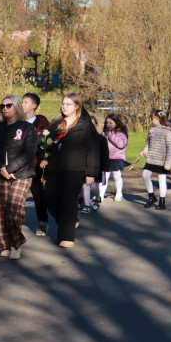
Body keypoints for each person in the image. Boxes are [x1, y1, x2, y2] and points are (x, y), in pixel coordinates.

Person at [39, 93, 101, 249]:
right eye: (62, 104)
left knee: (68, 201)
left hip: (75, 170)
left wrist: (91, 173)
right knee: (50, 198)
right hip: (54, 169)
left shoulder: (85, 126)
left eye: (68, 104)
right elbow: (45, 145)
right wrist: (43, 158)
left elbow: (93, 150)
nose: (64, 107)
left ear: (77, 106)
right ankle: (70, 222)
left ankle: (66, 236)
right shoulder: (56, 123)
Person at [0, 95, 37, 260]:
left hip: (22, 174)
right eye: (2, 105)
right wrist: (1, 168)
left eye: (9, 105)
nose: (4, 108)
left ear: (16, 107)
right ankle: (5, 244)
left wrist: (10, 168)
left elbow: (29, 153)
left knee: (13, 208)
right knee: (0, 211)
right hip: (1, 172)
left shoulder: (27, 128)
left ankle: (16, 243)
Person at [22, 92, 50, 236]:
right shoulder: (17, 122)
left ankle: (43, 223)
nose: (22, 105)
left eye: (26, 102)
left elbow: (46, 146)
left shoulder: (42, 126)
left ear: (34, 106)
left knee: (38, 196)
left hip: (34, 167)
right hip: (18, 166)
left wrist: (43, 161)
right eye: (22, 102)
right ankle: (14, 225)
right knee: (15, 198)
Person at [138, 110, 171, 211]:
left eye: (153, 119)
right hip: (151, 159)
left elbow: (170, 149)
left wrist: (168, 164)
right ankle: (151, 197)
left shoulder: (168, 132)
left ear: (159, 119)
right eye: (151, 118)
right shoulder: (151, 130)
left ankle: (162, 201)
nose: (151, 121)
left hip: (162, 161)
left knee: (162, 180)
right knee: (145, 175)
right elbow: (148, 144)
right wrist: (144, 152)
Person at [80, 116, 110, 214]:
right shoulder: (82, 139)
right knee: (86, 185)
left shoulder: (101, 139)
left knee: (95, 186)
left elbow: (105, 154)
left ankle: (97, 198)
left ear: (96, 125)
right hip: (85, 166)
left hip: (98, 166)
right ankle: (86, 205)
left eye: (92, 124)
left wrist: (105, 167)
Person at [100, 114, 129, 202]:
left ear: (116, 123)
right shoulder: (104, 133)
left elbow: (121, 144)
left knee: (117, 176)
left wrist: (111, 136)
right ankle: (100, 195)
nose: (108, 125)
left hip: (117, 159)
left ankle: (119, 193)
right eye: (107, 123)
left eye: (110, 123)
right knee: (104, 177)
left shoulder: (121, 134)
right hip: (106, 158)